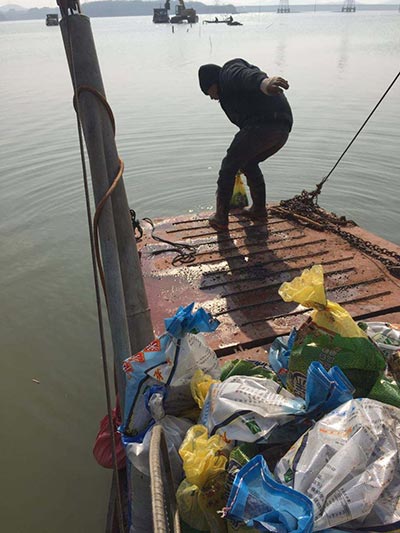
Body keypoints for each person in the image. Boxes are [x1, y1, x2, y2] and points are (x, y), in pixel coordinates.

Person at [198, 58, 293, 231]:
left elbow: (244, 75)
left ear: (213, 82)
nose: (211, 97)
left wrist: (265, 83)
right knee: (248, 163)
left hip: (263, 125)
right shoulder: (230, 94)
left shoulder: (228, 73)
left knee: (228, 167)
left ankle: (220, 218)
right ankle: (258, 210)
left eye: (208, 92)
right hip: (282, 130)